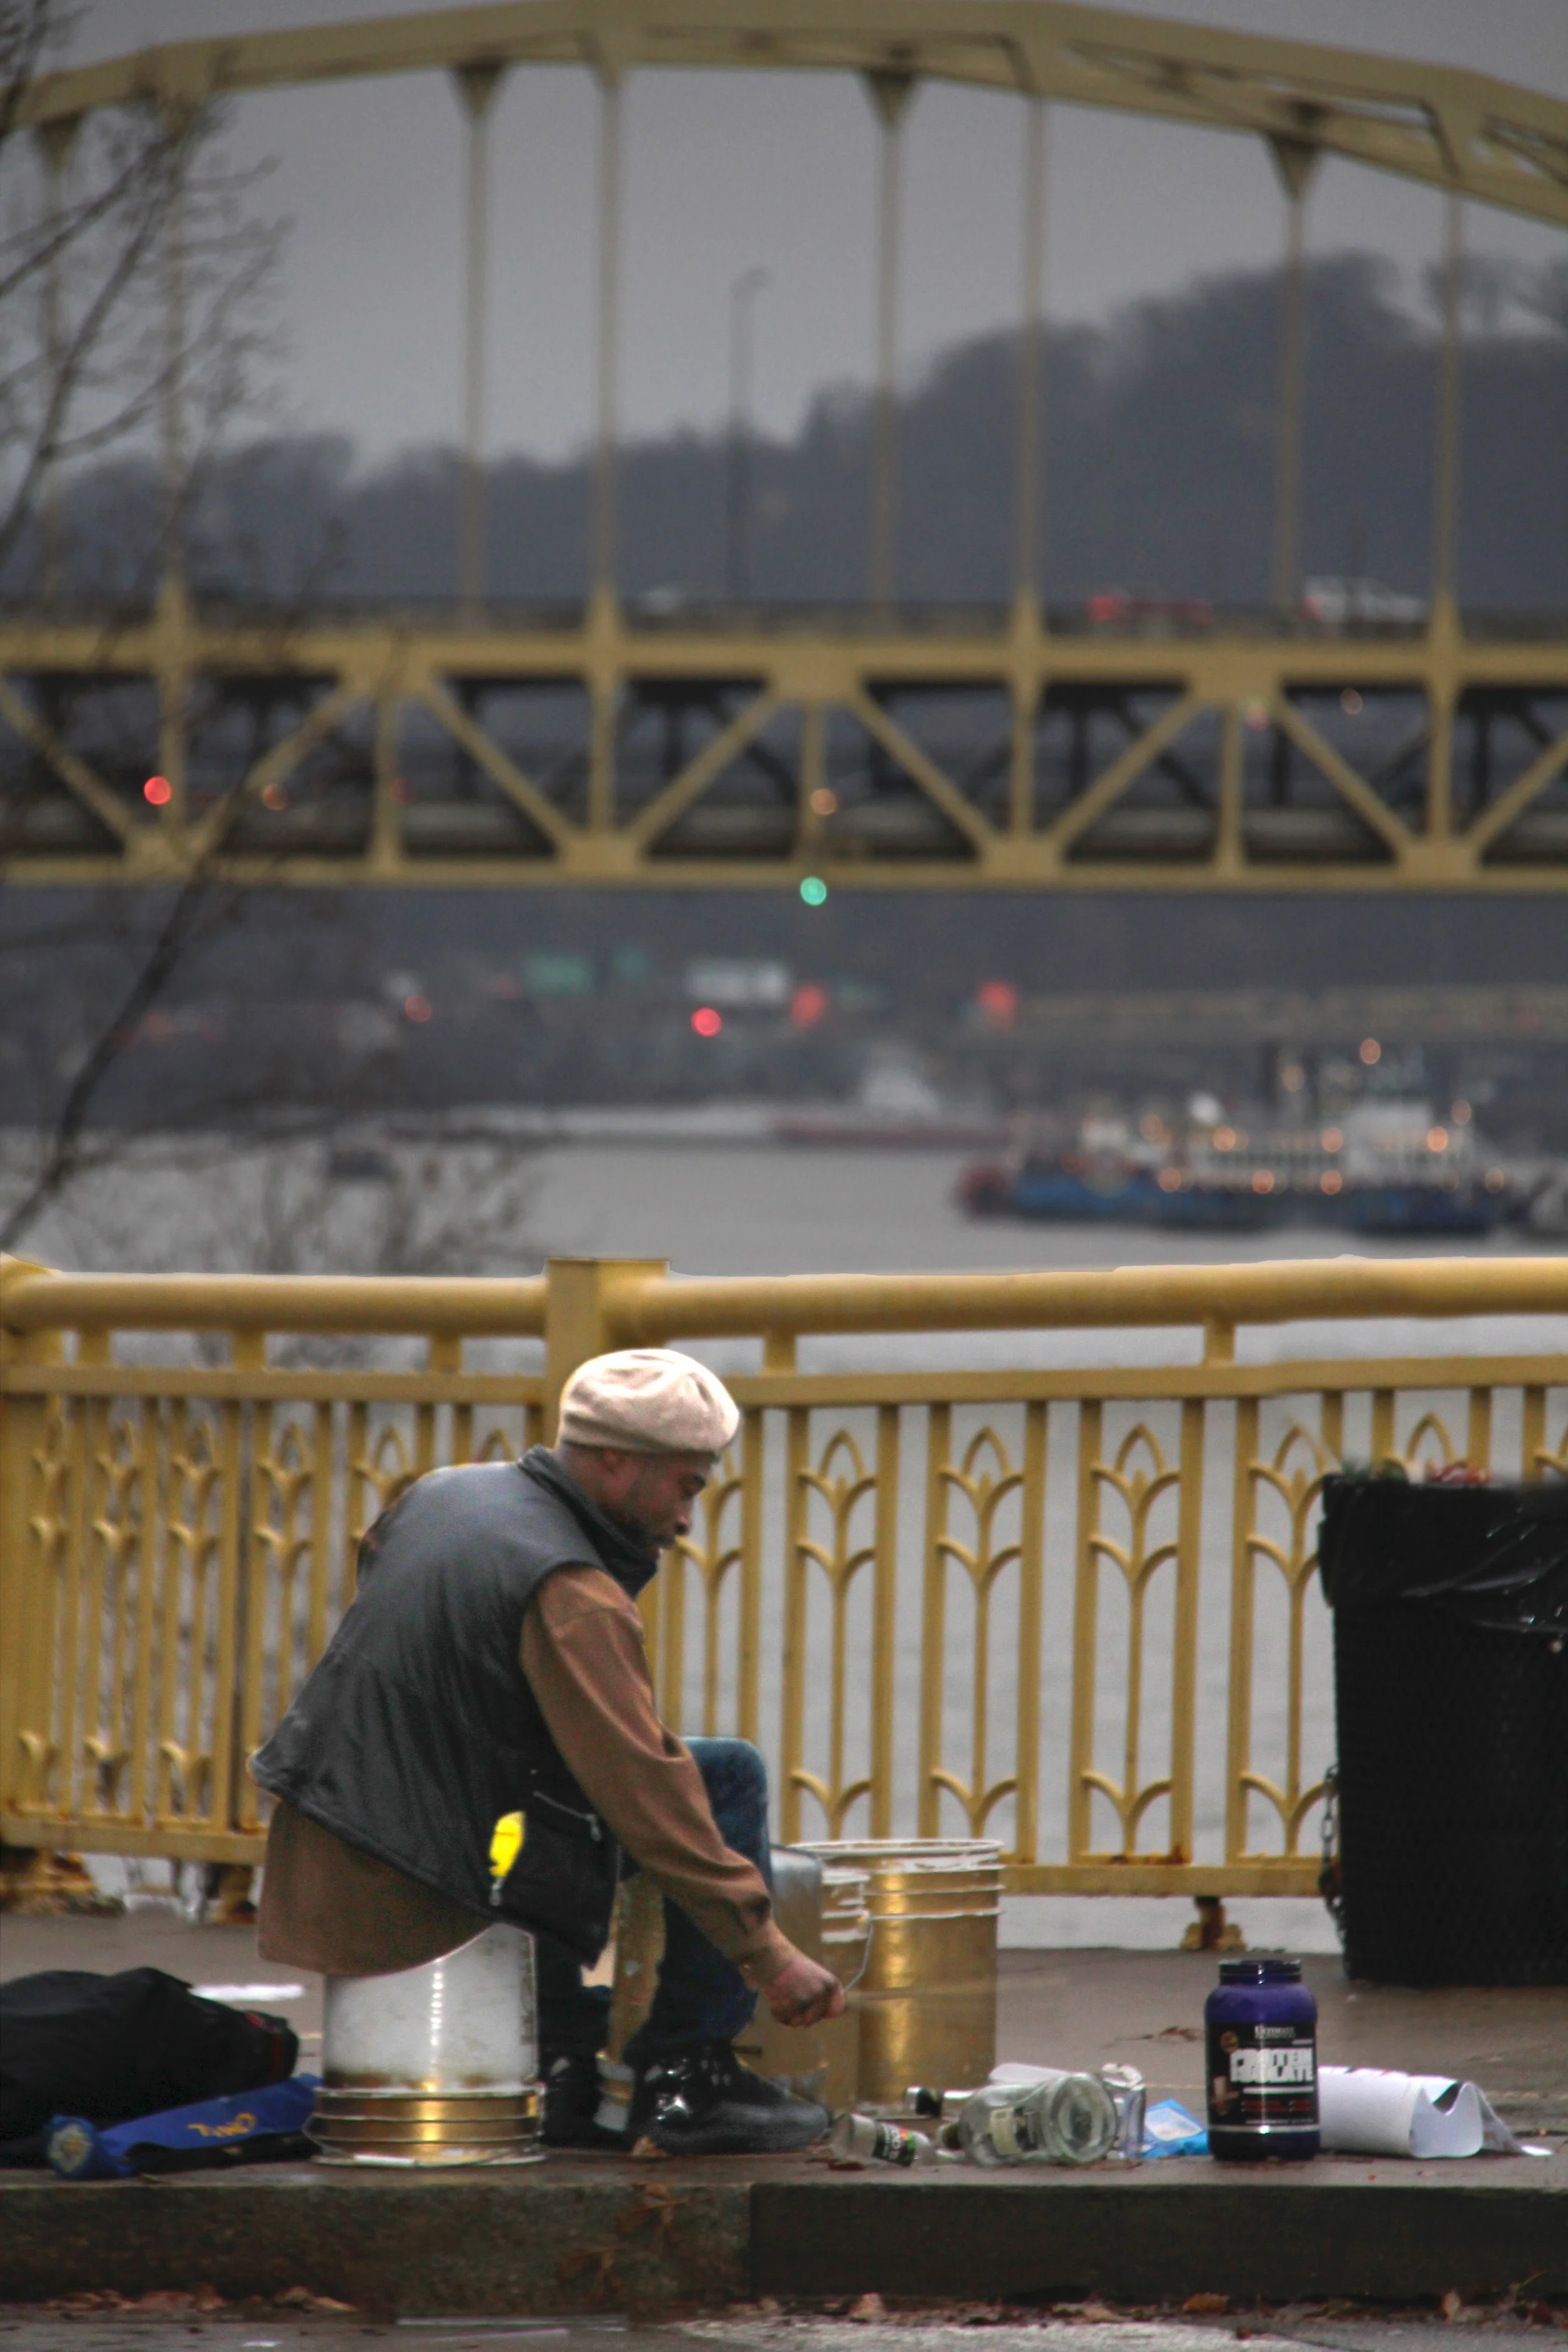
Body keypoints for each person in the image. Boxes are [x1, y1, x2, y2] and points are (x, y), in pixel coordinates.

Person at [250, 1347, 843, 2156]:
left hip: (328, 1839)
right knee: (720, 1775)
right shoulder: (571, 1591)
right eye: (686, 1485)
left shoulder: (440, 1494)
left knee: (549, 1794)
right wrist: (767, 1954)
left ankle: (566, 2064)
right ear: (612, 1462)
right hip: (415, 1886)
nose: (687, 1519)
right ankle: (687, 2078)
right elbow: (645, 1786)